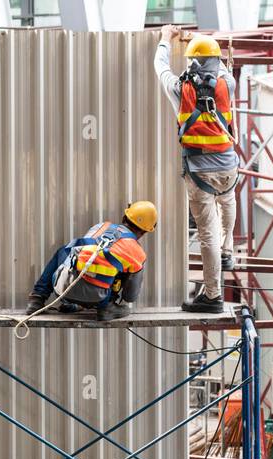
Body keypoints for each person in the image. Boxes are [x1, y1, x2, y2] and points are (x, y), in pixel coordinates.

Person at [155, 27, 238, 315]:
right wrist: (206, 43)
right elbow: (220, 64)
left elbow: (160, 66)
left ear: (192, 63)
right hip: (228, 165)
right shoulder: (229, 83)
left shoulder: (180, 88)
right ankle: (229, 252)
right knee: (227, 201)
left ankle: (213, 296)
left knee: (207, 235)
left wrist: (166, 39)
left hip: (199, 171)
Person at [25, 202, 158, 321]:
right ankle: (106, 307)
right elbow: (130, 296)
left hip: (63, 288)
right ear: (145, 231)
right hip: (99, 298)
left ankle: (37, 299)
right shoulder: (137, 253)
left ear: (124, 218)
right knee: (122, 267)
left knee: (66, 250)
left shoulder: (101, 226)